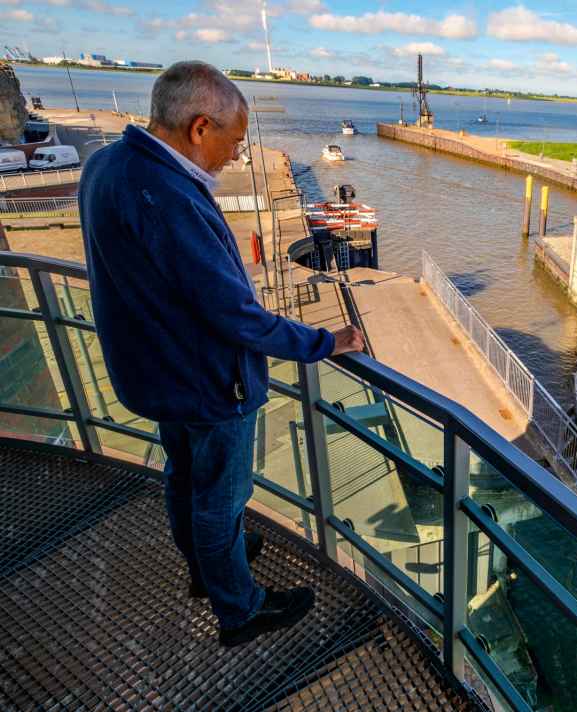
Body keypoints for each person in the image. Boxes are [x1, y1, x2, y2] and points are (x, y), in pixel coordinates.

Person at [79, 61, 365, 647]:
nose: (237, 156)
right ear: (199, 127)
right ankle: (239, 608)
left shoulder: (107, 164)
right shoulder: (170, 196)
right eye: (234, 142)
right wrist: (324, 342)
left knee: (184, 476)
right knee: (221, 499)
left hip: (154, 370)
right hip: (205, 382)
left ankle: (209, 564)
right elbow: (235, 315)